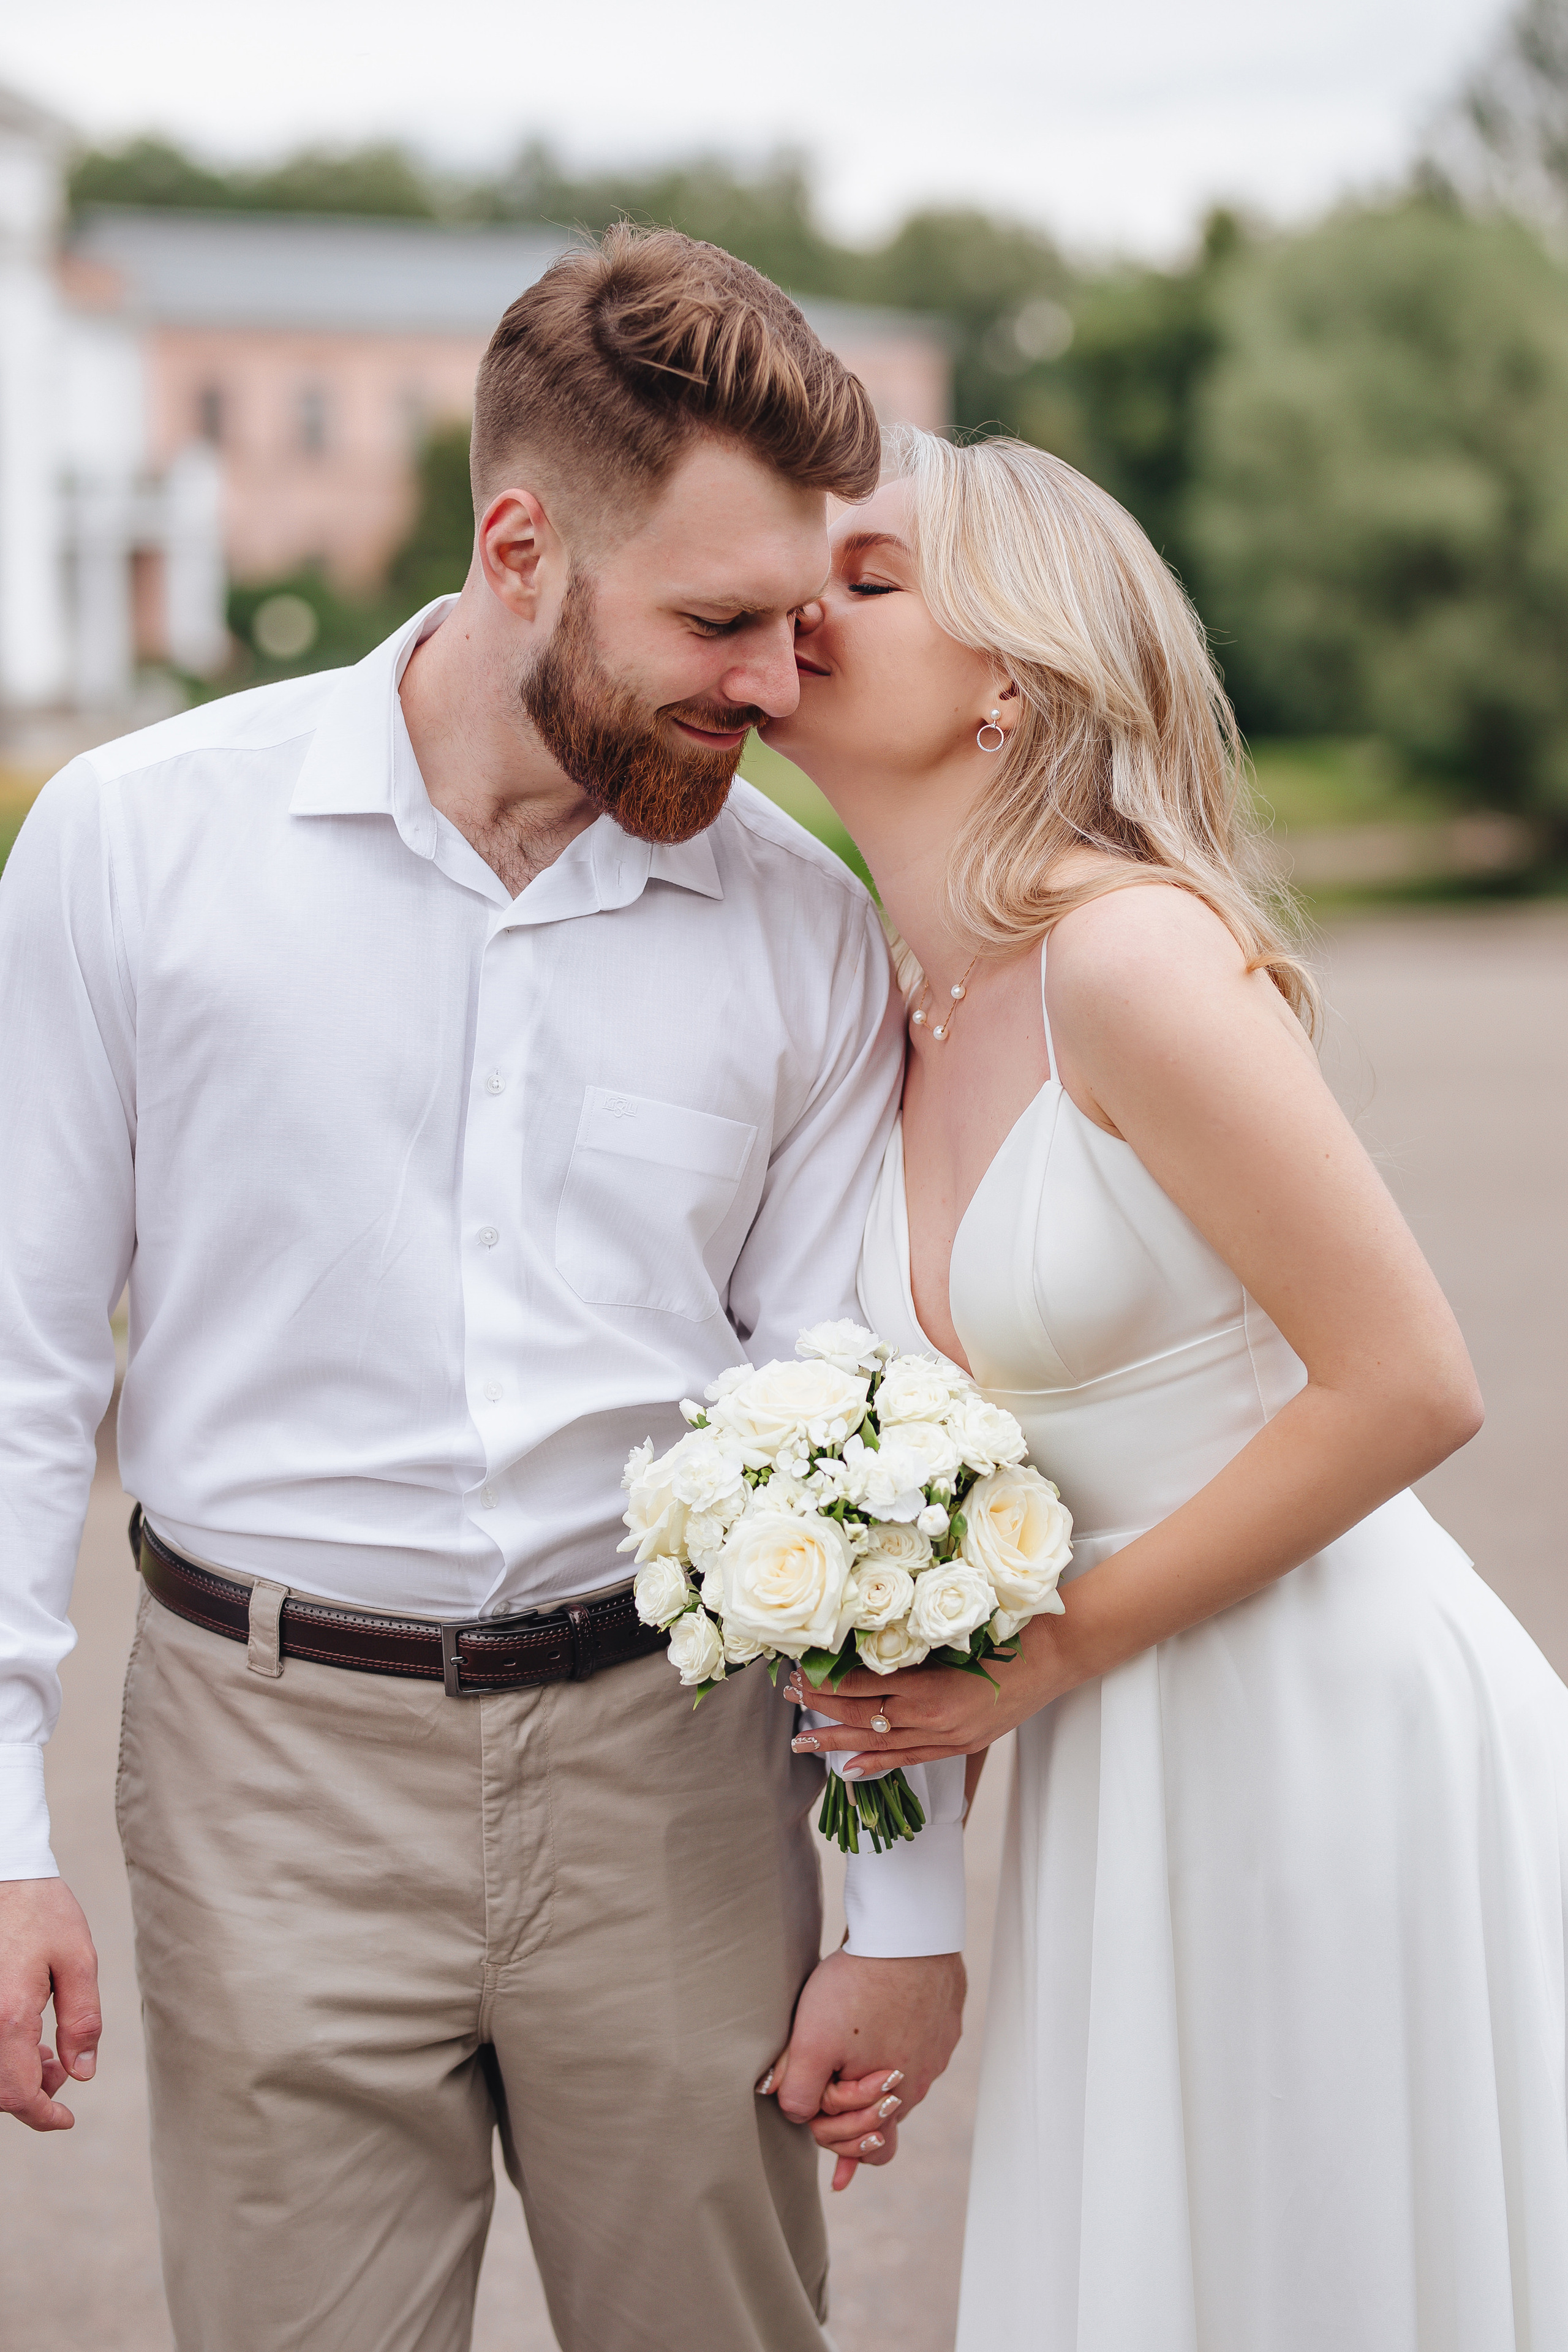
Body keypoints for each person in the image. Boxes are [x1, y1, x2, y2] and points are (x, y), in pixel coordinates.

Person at [0, 231, 968, 2352]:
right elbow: (16, 1367)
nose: (777, 685)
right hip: (265, 1777)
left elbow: (848, 1440)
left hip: (675, 1773)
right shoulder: (132, 847)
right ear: (521, 547)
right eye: (716, 622)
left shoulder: (803, 927)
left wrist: (903, 1899)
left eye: (799, 619)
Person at [763, 427, 1568, 2350]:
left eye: (870, 579)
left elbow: (1410, 1382)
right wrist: (904, 1896)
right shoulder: (890, 998)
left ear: (1010, 678)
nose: (803, 605)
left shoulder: (1124, 957)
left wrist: (1047, 1655)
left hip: (1324, 1723)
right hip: (1113, 1755)